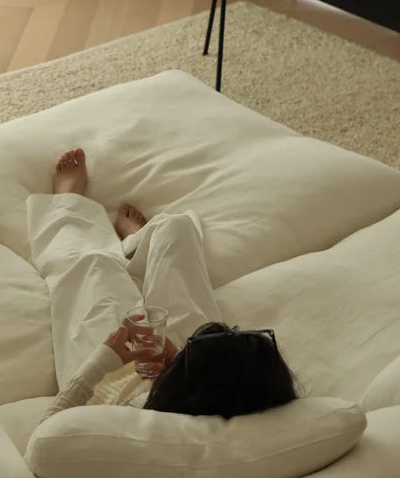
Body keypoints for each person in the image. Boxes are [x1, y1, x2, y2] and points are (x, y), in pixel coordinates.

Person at [36, 148, 299, 421]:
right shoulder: (259, 401)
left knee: (91, 266)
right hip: (196, 369)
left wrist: (104, 357)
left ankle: (67, 202)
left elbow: (49, 430)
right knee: (176, 229)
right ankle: (136, 244)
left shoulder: (130, 425)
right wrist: (179, 361)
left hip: (117, 380)